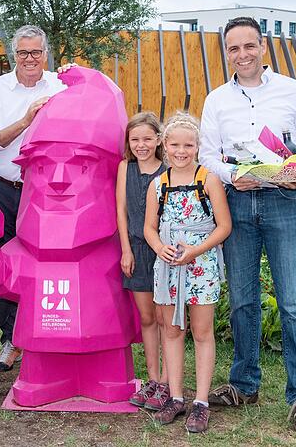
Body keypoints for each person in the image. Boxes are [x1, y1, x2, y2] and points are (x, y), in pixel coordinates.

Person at [199, 16, 296, 434]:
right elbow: (207, 156)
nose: (242, 54)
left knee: (292, 304)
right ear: (227, 54)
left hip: (285, 201)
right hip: (237, 201)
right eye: (233, 49)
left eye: (249, 46)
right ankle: (244, 384)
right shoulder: (216, 99)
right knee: (242, 301)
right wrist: (234, 176)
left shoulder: (295, 91)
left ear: (263, 47)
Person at [0, 25, 66, 372]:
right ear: (14, 56)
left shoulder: (59, 86)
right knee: (5, 264)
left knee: (34, 264)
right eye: (23, 53)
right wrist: (26, 121)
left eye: (36, 52)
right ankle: (8, 333)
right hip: (0, 184)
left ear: (45, 54)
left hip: (40, 191)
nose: (29, 59)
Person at [143, 113, 231, 434]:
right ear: (165, 146)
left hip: (201, 265)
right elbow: (149, 228)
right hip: (167, 266)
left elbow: (224, 226)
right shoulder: (159, 184)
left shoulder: (208, 180)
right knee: (172, 330)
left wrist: (194, 251)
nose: (182, 151)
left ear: (197, 146)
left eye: (189, 145)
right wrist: (159, 248)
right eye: (175, 144)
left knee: (202, 331)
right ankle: (176, 396)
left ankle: (202, 401)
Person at [115, 112, 169, 409]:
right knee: (147, 318)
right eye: (135, 139)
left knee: (165, 319)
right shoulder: (125, 168)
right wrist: (125, 249)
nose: (141, 145)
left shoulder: (168, 170)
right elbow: (121, 211)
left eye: (147, 138)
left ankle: (168, 381)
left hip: (162, 251)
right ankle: (153, 379)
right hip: (136, 249)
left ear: (159, 139)